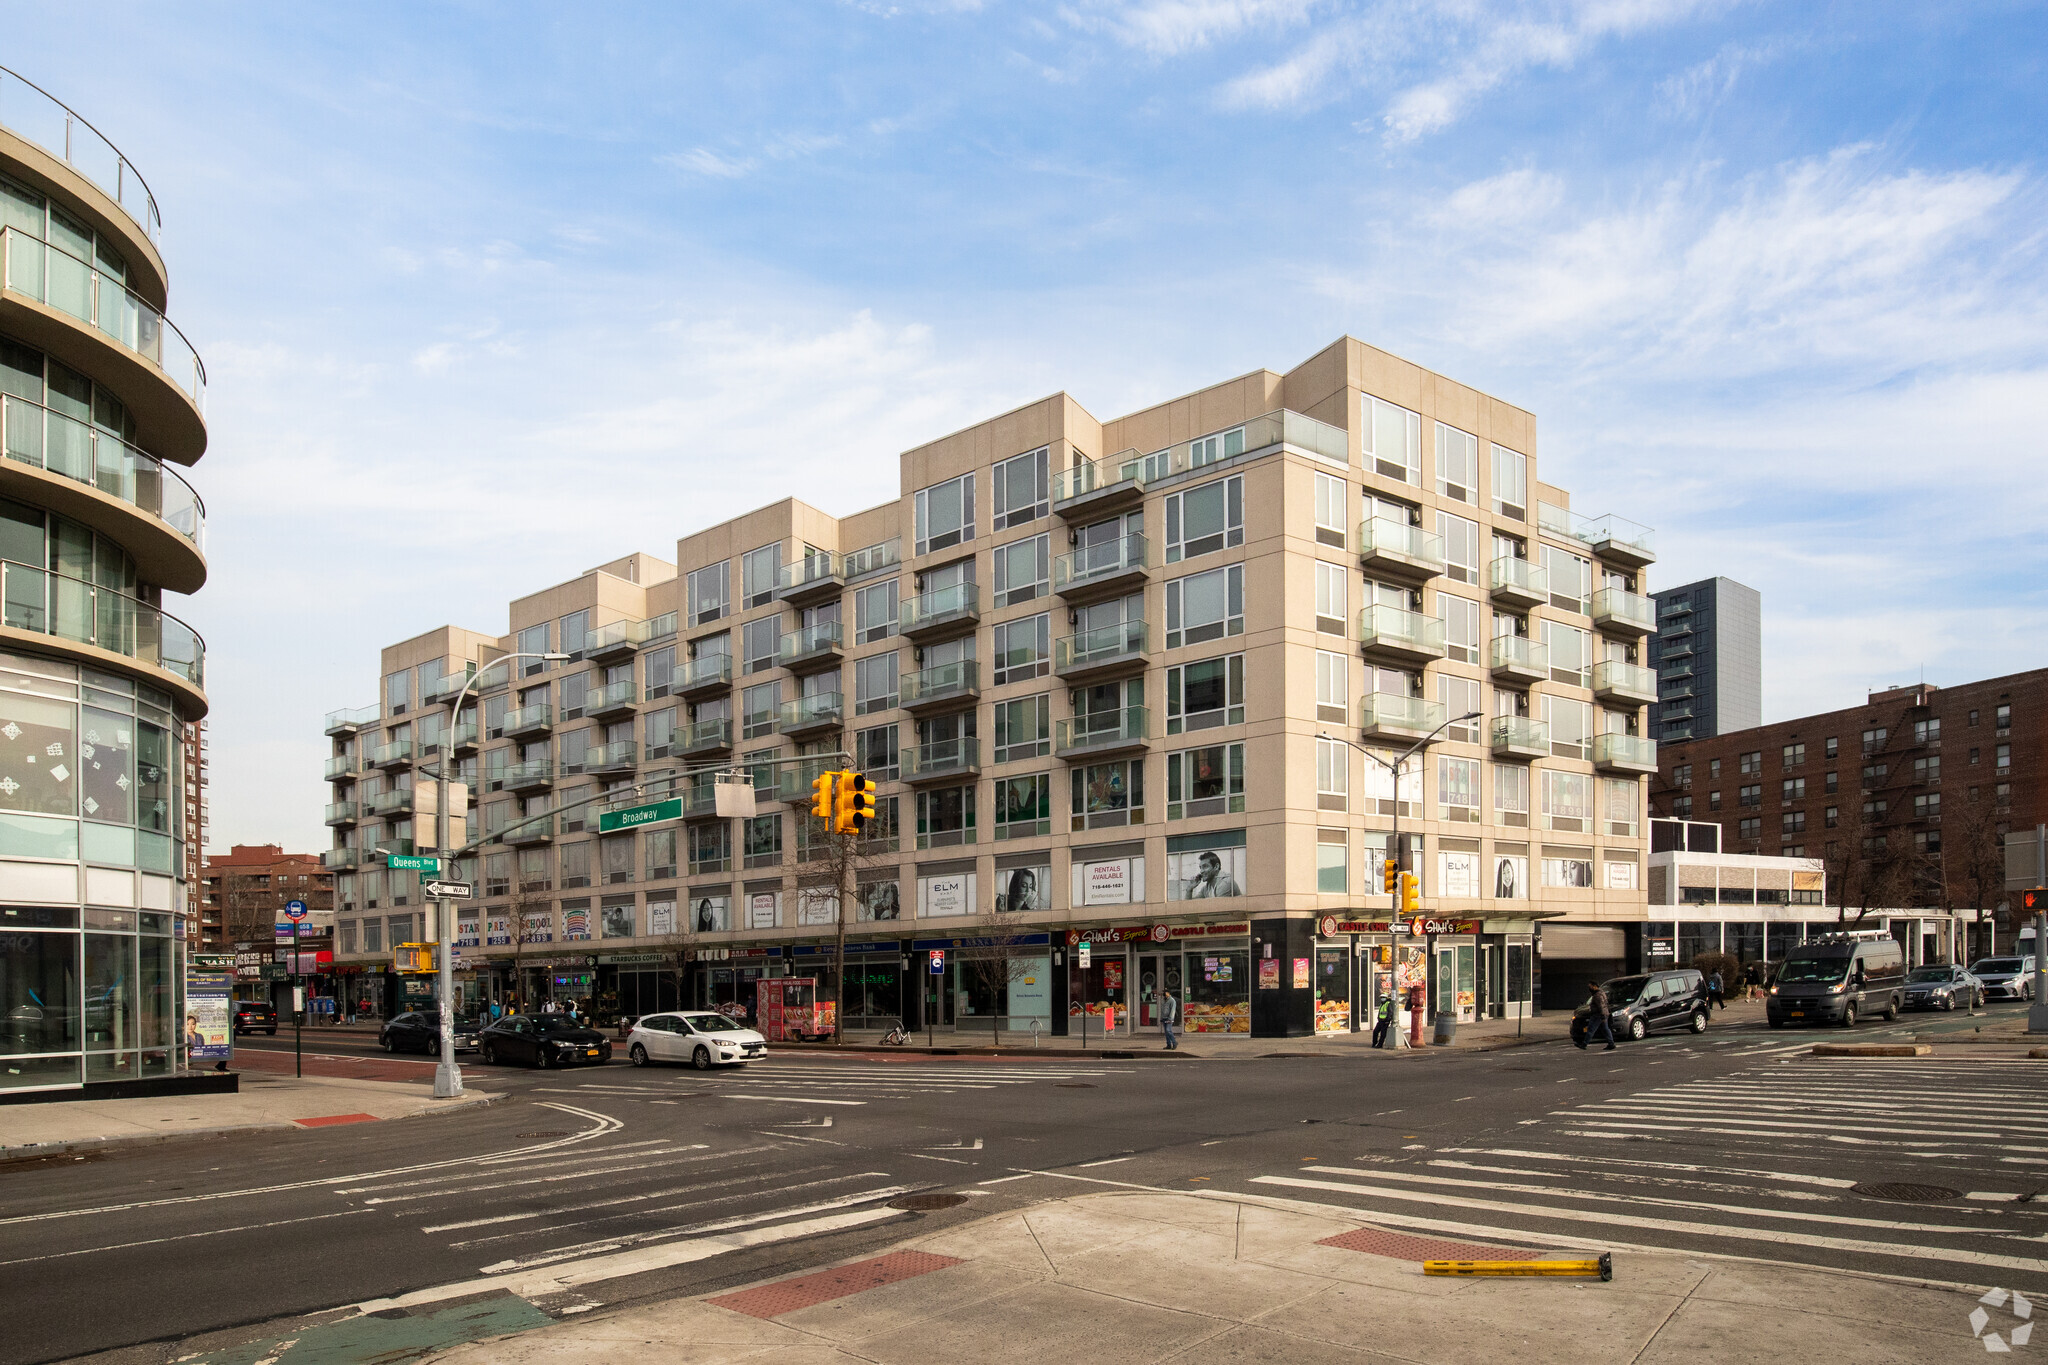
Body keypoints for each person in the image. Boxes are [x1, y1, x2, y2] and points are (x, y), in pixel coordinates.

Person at [1583, 981, 1616, 1051]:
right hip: (1603, 1014)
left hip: (1598, 1015)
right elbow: (1605, 1004)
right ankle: (1611, 1044)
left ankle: (1584, 1044)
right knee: (1605, 1029)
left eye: (1590, 986)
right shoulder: (1601, 993)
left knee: (1591, 1028)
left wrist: (1602, 1015)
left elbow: (1601, 1006)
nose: (1589, 988)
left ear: (1595, 986)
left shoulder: (1597, 995)